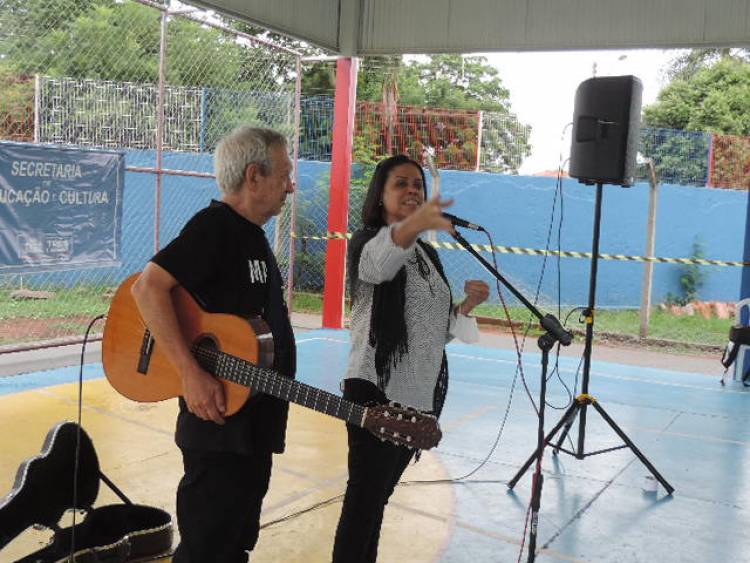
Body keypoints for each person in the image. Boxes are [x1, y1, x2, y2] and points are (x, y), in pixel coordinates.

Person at [130, 126, 296, 563]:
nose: (291, 186)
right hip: (219, 426)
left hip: (253, 423)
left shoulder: (254, 237)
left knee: (232, 545)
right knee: (206, 549)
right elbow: (148, 289)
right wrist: (190, 371)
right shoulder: (215, 227)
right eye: (285, 174)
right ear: (254, 176)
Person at [332, 154, 490, 562]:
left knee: (377, 502)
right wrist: (416, 223)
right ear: (381, 196)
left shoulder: (427, 256)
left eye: (417, 185)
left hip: (416, 399)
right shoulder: (370, 242)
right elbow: (379, 267)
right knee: (364, 504)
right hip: (375, 392)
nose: (412, 190)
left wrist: (465, 307)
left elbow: (431, 336)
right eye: (401, 184)